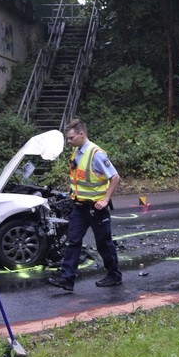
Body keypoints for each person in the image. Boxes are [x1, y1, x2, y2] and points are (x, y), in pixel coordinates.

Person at [47, 119, 122, 292]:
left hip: (96, 208)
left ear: (82, 134)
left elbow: (115, 177)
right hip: (79, 207)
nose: (69, 141)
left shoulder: (96, 154)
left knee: (103, 242)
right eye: (68, 138)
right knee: (73, 241)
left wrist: (104, 200)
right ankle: (67, 279)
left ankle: (114, 275)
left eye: (71, 138)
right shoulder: (76, 151)